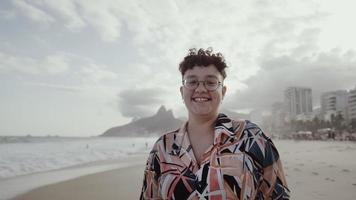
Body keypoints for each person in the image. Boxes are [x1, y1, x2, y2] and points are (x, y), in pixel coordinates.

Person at [140, 48, 290, 199]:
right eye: (192, 82)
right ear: (181, 91)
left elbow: (278, 195)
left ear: (223, 91)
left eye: (211, 82)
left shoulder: (251, 137)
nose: (200, 89)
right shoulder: (162, 148)